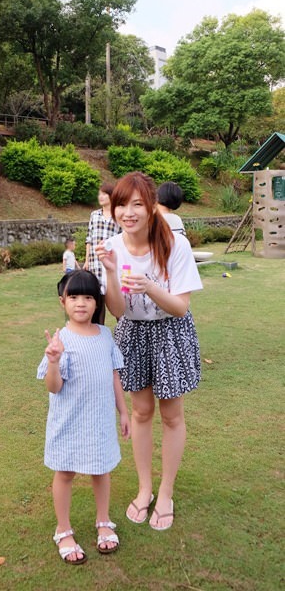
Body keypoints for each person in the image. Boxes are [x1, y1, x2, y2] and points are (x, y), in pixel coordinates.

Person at [96, 172, 202, 532]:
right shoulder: (112, 247)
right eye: (121, 204)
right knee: (141, 413)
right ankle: (144, 489)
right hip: (134, 331)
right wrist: (110, 274)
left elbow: (181, 307)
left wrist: (150, 287)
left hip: (170, 332)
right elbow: (117, 310)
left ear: (152, 207)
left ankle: (167, 492)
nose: (128, 212)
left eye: (137, 204)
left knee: (171, 415)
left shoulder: (175, 245)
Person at [37, 270, 130, 564]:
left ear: (97, 302)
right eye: (74, 297)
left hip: (100, 419)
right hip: (69, 421)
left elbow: (114, 374)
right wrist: (54, 361)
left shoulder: (105, 334)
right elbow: (54, 387)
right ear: (62, 301)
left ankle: (103, 521)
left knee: (101, 469)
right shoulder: (60, 340)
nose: (81, 303)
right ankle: (63, 530)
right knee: (65, 472)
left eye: (88, 297)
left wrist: (124, 411)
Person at [83, 183, 121, 322]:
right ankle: (98, 336)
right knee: (97, 304)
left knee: (117, 302)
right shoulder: (94, 215)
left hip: (112, 265)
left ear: (111, 196)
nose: (101, 197)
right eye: (99, 194)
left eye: (104, 194)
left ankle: (123, 334)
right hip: (95, 265)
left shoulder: (119, 215)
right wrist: (87, 261)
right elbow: (89, 238)